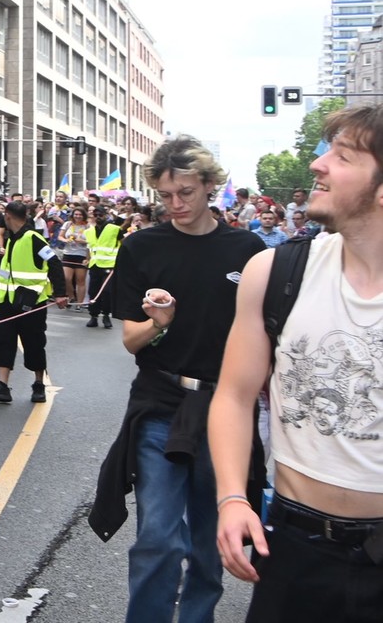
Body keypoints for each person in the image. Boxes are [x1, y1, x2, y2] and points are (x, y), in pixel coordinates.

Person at [209, 104, 383, 622]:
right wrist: (232, 499)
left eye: (342, 156)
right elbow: (235, 396)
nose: (318, 165)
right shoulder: (276, 272)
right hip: (295, 549)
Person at [88, 135, 264, 623]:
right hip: (160, 403)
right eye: (165, 196)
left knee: (211, 543)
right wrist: (157, 325)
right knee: (159, 538)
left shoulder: (247, 249)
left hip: (225, 409)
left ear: (210, 186)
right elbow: (129, 340)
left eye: (185, 192)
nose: (175, 204)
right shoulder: (142, 247)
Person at [0, 201, 67, 404]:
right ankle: (1, 386)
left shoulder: (33, 238)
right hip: (8, 302)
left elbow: (54, 263)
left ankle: (38, 385)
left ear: (8, 216)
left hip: (31, 302)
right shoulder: (12, 240)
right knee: (4, 342)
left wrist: (60, 293)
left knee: (34, 344)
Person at [85, 207, 122, 329]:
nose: (97, 216)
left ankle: (106, 315)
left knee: (106, 292)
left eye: (100, 214)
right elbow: (90, 247)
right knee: (93, 291)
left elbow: (123, 244)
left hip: (109, 265)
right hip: (95, 264)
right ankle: (93, 316)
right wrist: (88, 259)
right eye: (95, 214)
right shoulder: (89, 231)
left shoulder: (115, 229)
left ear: (105, 215)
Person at [59, 205, 91, 306]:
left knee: (80, 280)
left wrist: (82, 241)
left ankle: (80, 303)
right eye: (76, 214)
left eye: (80, 214)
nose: (78, 216)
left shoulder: (88, 226)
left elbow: (91, 241)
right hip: (68, 253)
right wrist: (65, 240)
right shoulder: (68, 224)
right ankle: (71, 296)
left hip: (81, 254)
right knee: (66, 278)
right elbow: (60, 236)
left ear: (84, 216)